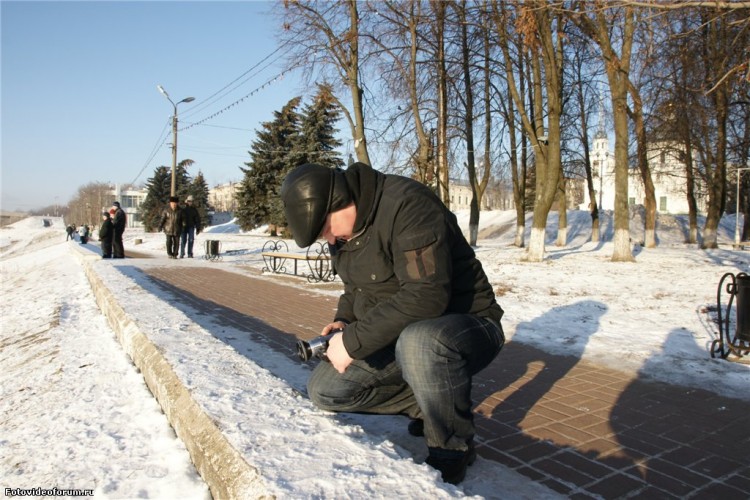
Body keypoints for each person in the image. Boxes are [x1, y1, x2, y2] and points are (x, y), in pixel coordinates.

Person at [280, 162, 505, 485]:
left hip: (468, 325)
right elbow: (355, 288)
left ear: (339, 199)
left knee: (421, 341)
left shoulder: (408, 205)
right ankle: (427, 405)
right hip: (404, 334)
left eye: (324, 229)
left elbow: (426, 296)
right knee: (325, 390)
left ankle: (452, 447)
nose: (328, 238)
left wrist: (355, 342)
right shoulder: (345, 233)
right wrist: (344, 321)